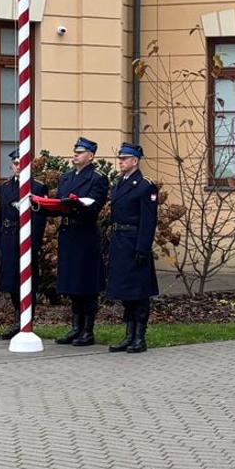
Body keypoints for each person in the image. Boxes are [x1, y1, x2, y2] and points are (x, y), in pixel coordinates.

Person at [40, 138, 107, 345]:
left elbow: (95, 205)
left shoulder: (97, 178)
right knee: (72, 282)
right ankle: (75, 327)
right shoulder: (67, 177)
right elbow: (60, 200)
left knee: (86, 283)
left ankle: (88, 329)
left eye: (80, 152)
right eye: (75, 151)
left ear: (91, 156)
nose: (75, 155)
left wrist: (77, 205)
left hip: (85, 233)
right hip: (68, 232)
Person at [104, 143, 160, 353]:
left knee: (139, 292)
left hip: (135, 242)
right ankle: (128, 335)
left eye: (124, 159)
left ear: (135, 161)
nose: (120, 162)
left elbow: (148, 220)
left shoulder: (145, 186)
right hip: (120, 242)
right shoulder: (120, 183)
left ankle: (139, 336)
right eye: (120, 158)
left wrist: (143, 248)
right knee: (125, 292)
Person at [0, 149, 48, 340]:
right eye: (15, 163)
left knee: (27, 281)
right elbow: (0, 216)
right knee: (11, 282)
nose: (18, 166)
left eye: (22, 163)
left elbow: (40, 219)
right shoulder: (5, 187)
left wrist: (35, 242)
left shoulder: (37, 187)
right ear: (11, 165)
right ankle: (17, 318)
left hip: (26, 238)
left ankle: (26, 321)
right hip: (9, 237)